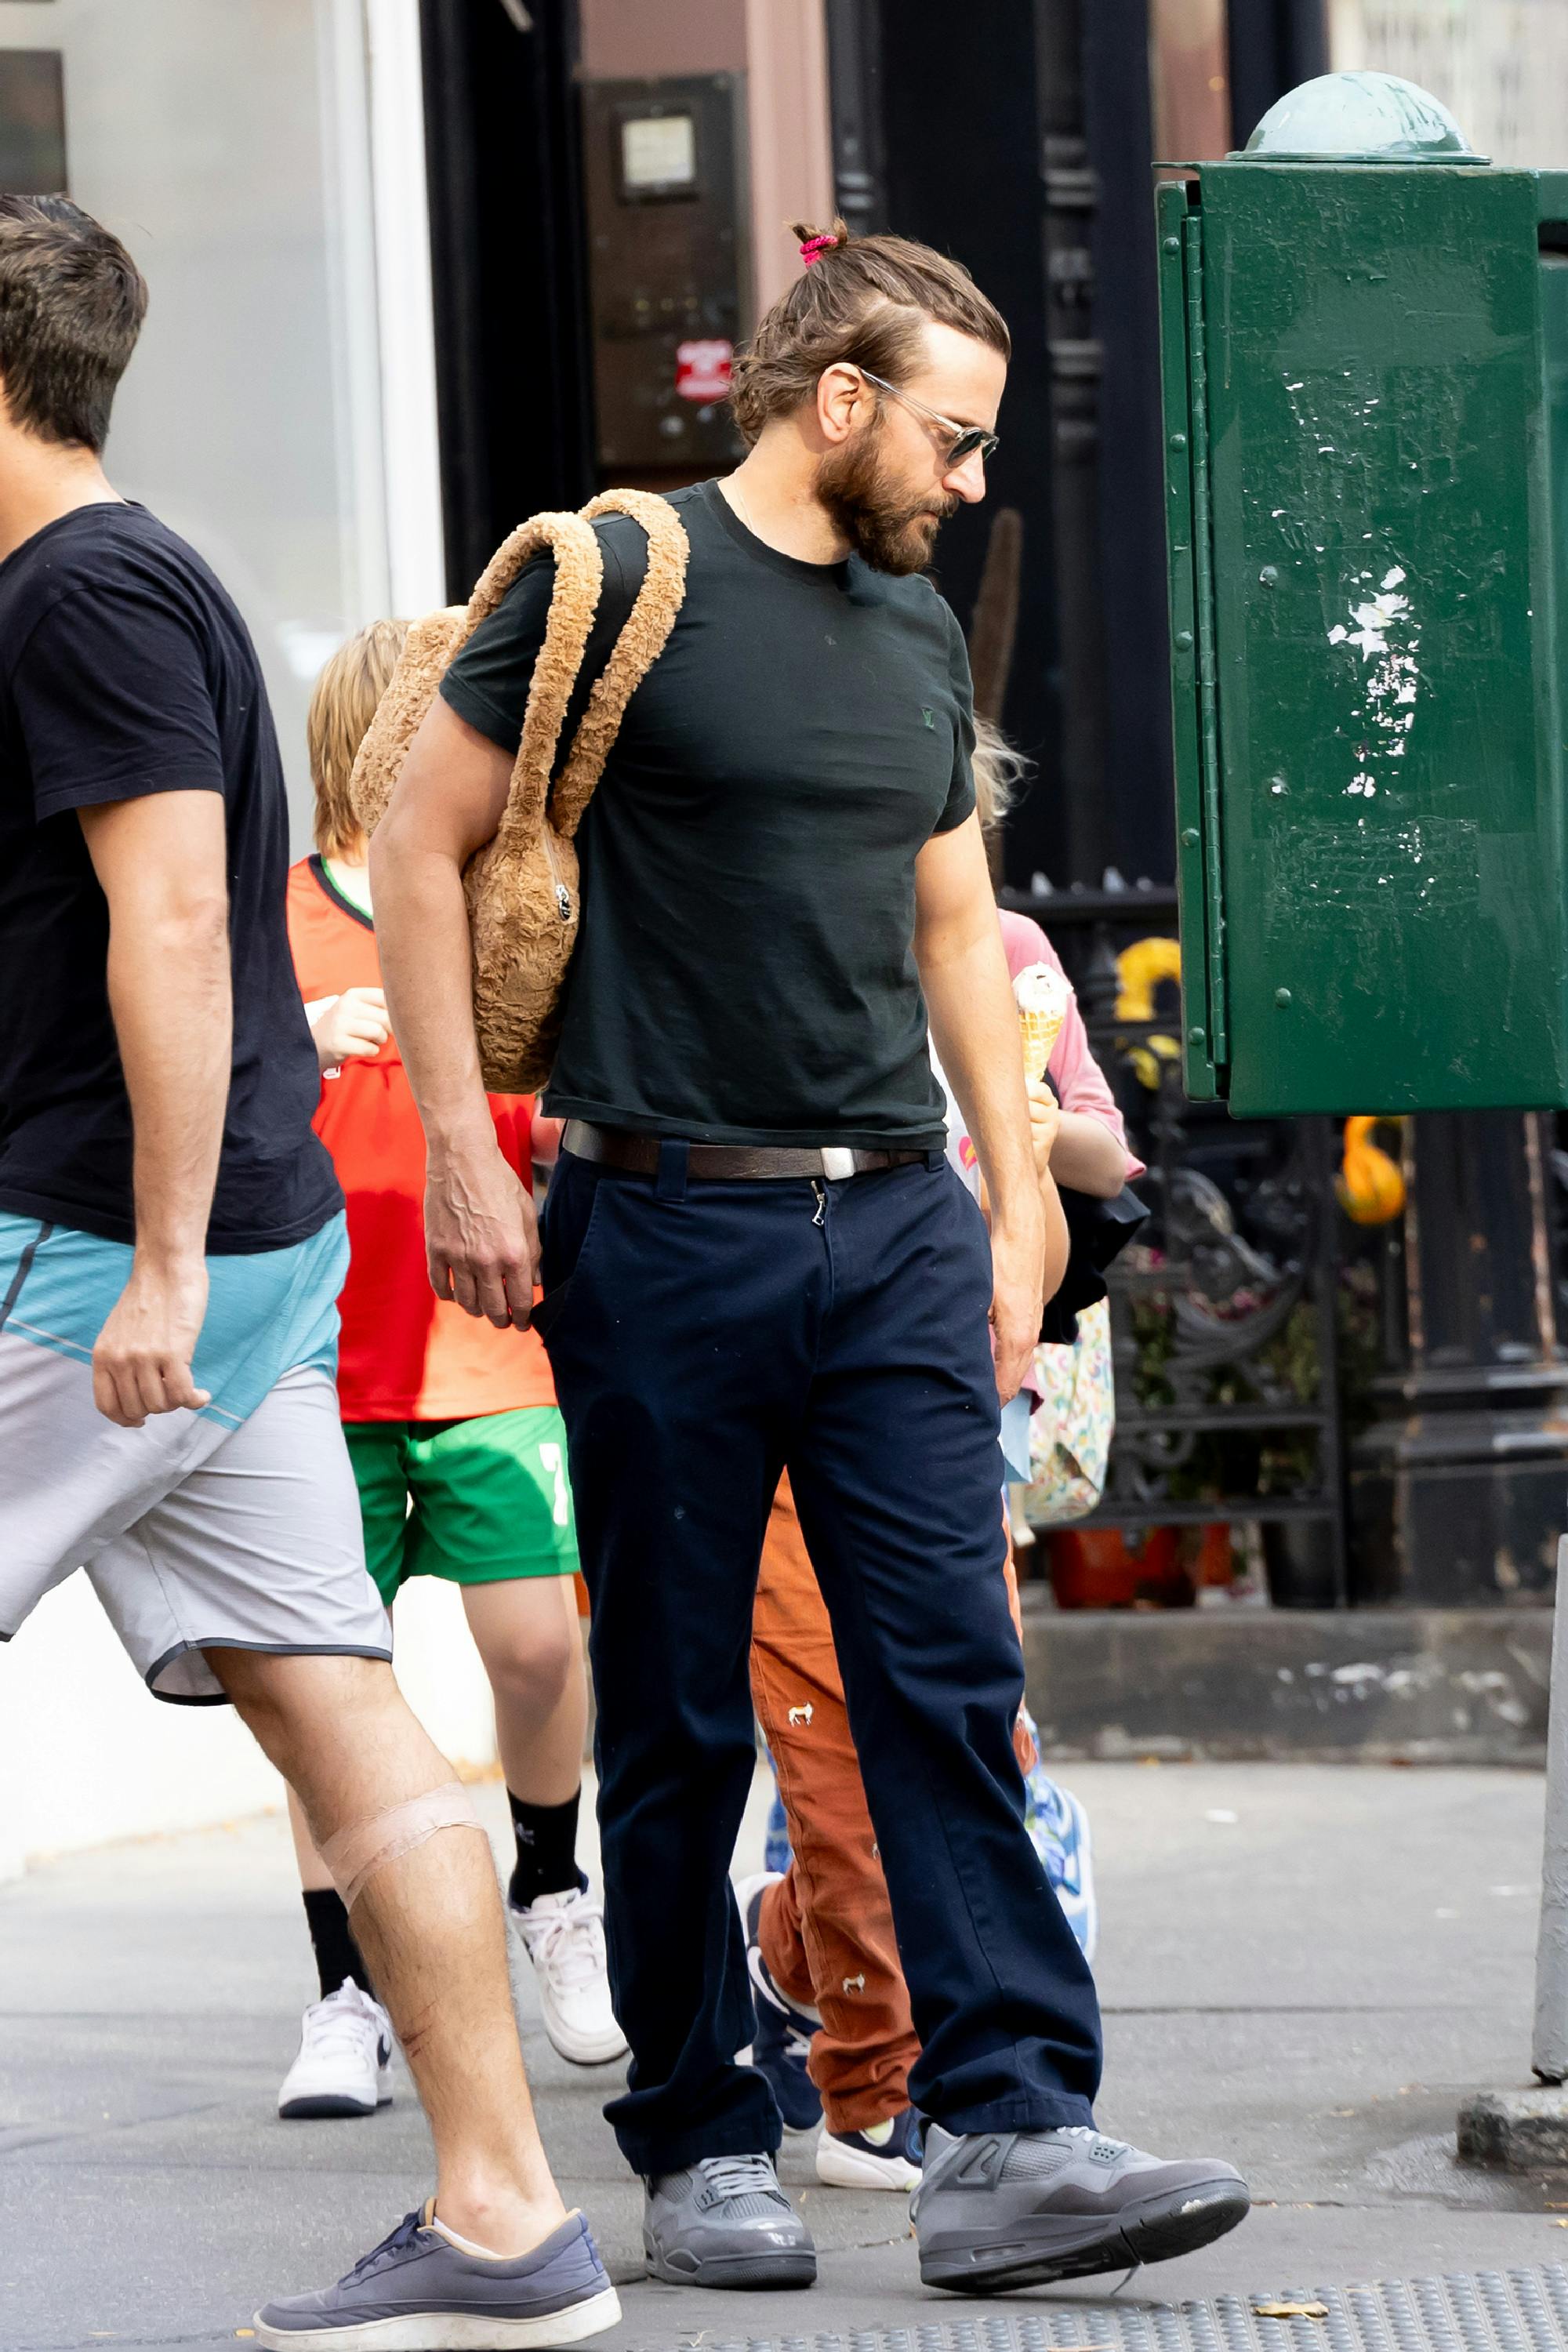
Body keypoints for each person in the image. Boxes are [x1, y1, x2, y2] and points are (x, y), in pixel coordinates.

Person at [370, 217, 1250, 2296]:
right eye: (948, 438)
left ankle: (1015, 2126)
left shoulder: (914, 637)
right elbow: (418, 846)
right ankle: (699, 2129)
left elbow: (957, 925)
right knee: (677, 1703)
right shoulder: (612, 579)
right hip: (661, 1211)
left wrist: (1021, 1189)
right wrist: (462, 1160)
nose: (966, 481)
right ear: (835, 401)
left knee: (948, 1680)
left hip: (894, 1227)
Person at [0, 195, 617, 2350]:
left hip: (104, 1259)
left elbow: (178, 924)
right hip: (204, 1258)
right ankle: (508, 2213)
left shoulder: (78, 587)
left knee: (355, 1731)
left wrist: (158, 1260)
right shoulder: (121, 572)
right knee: (348, 1728)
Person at [745, 782, 1139, 2189]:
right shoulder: (777, 933)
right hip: (795, 1365)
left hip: (975, 1385)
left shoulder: (1021, 954)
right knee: (832, 1748)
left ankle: (816, 1968)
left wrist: (1032, 1130)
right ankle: (874, 2074)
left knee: (968, 1730)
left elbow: (1106, 1147)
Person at [271, 622, 622, 2121]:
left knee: (539, 1647)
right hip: (311, 1361)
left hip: (489, 1349)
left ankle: (552, 1886)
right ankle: (345, 1986)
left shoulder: (510, 915)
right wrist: (301, 1031)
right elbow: (160, 1051)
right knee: (326, 1690)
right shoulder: (270, 914)